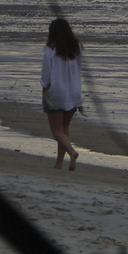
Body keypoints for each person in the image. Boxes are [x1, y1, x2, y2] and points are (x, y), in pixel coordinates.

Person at [41, 17, 85, 169]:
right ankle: (59, 163)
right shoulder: (76, 47)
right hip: (74, 91)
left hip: (57, 91)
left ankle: (72, 152)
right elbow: (79, 68)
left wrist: (44, 89)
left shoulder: (51, 49)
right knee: (65, 129)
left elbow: (46, 74)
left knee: (56, 131)